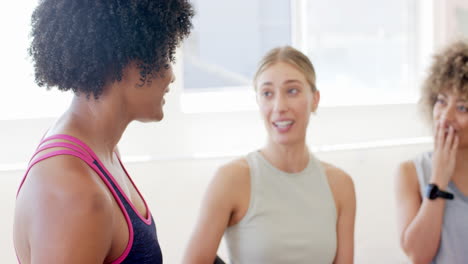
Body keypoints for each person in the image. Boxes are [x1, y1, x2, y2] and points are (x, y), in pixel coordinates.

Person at [13, 1, 193, 263]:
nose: (171, 76)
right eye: (164, 55)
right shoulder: (75, 192)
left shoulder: (98, 150)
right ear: (123, 61)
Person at [183, 46, 356, 264]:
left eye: (292, 91)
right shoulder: (231, 179)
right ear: (258, 102)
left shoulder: (340, 185)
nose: (279, 106)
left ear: (315, 99)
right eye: (267, 93)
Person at [395, 40, 468, 264]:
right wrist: (438, 180)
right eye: (441, 101)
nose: (446, 117)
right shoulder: (410, 172)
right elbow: (419, 255)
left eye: (463, 107)